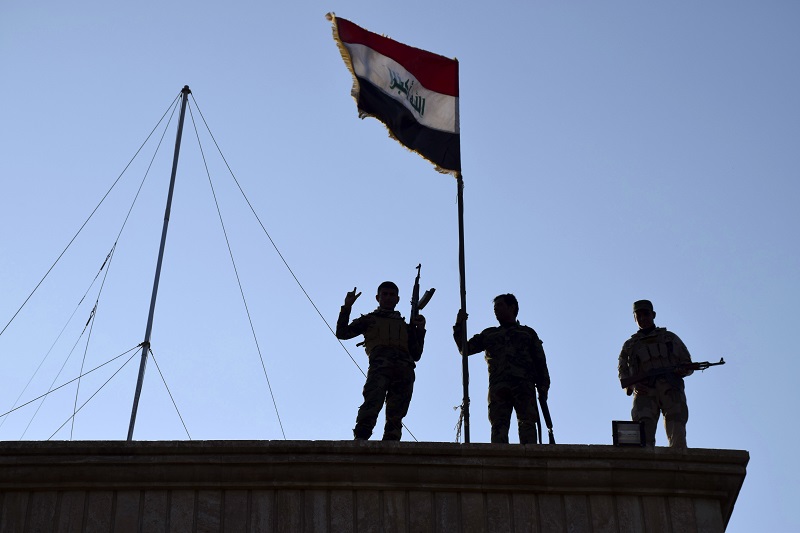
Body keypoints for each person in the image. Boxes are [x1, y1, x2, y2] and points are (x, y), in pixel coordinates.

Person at [452, 294, 550, 444]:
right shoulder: (490, 334)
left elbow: (540, 362)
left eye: (500, 305)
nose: (495, 309)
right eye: (494, 307)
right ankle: (499, 461)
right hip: (499, 387)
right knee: (498, 426)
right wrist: (459, 326)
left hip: (523, 385)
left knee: (527, 424)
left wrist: (543, 387)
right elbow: (465, 349)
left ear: (512, 308)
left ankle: (531, 459)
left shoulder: (527, 333)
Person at [336, 282, 426, 441]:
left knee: (396, 411)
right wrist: (347, 307)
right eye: (385, 294)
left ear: (398, 299)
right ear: (378, 297)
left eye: (392, 295)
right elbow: (342, 333)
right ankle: (361, 437)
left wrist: (420, 330)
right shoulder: (370, 320)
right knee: (372, 402)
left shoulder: (405, 326)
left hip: (404, 370)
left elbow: (416, 354)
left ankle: (391, 442)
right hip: (380, 368)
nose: (388, 298)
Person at [617, 299, 693, 448]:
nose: (643, 319)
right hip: (644, 392)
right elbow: (622, 370)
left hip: (670, 388)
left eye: (646, 314)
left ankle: (678, 462)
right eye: (639, 316)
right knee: (643, 433)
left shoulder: (669, 338)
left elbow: (687, 362)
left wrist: (683, 370)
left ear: (653, 315)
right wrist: (633, 384)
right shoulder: (630, 345)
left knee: (676, 427)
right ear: (635, 318)